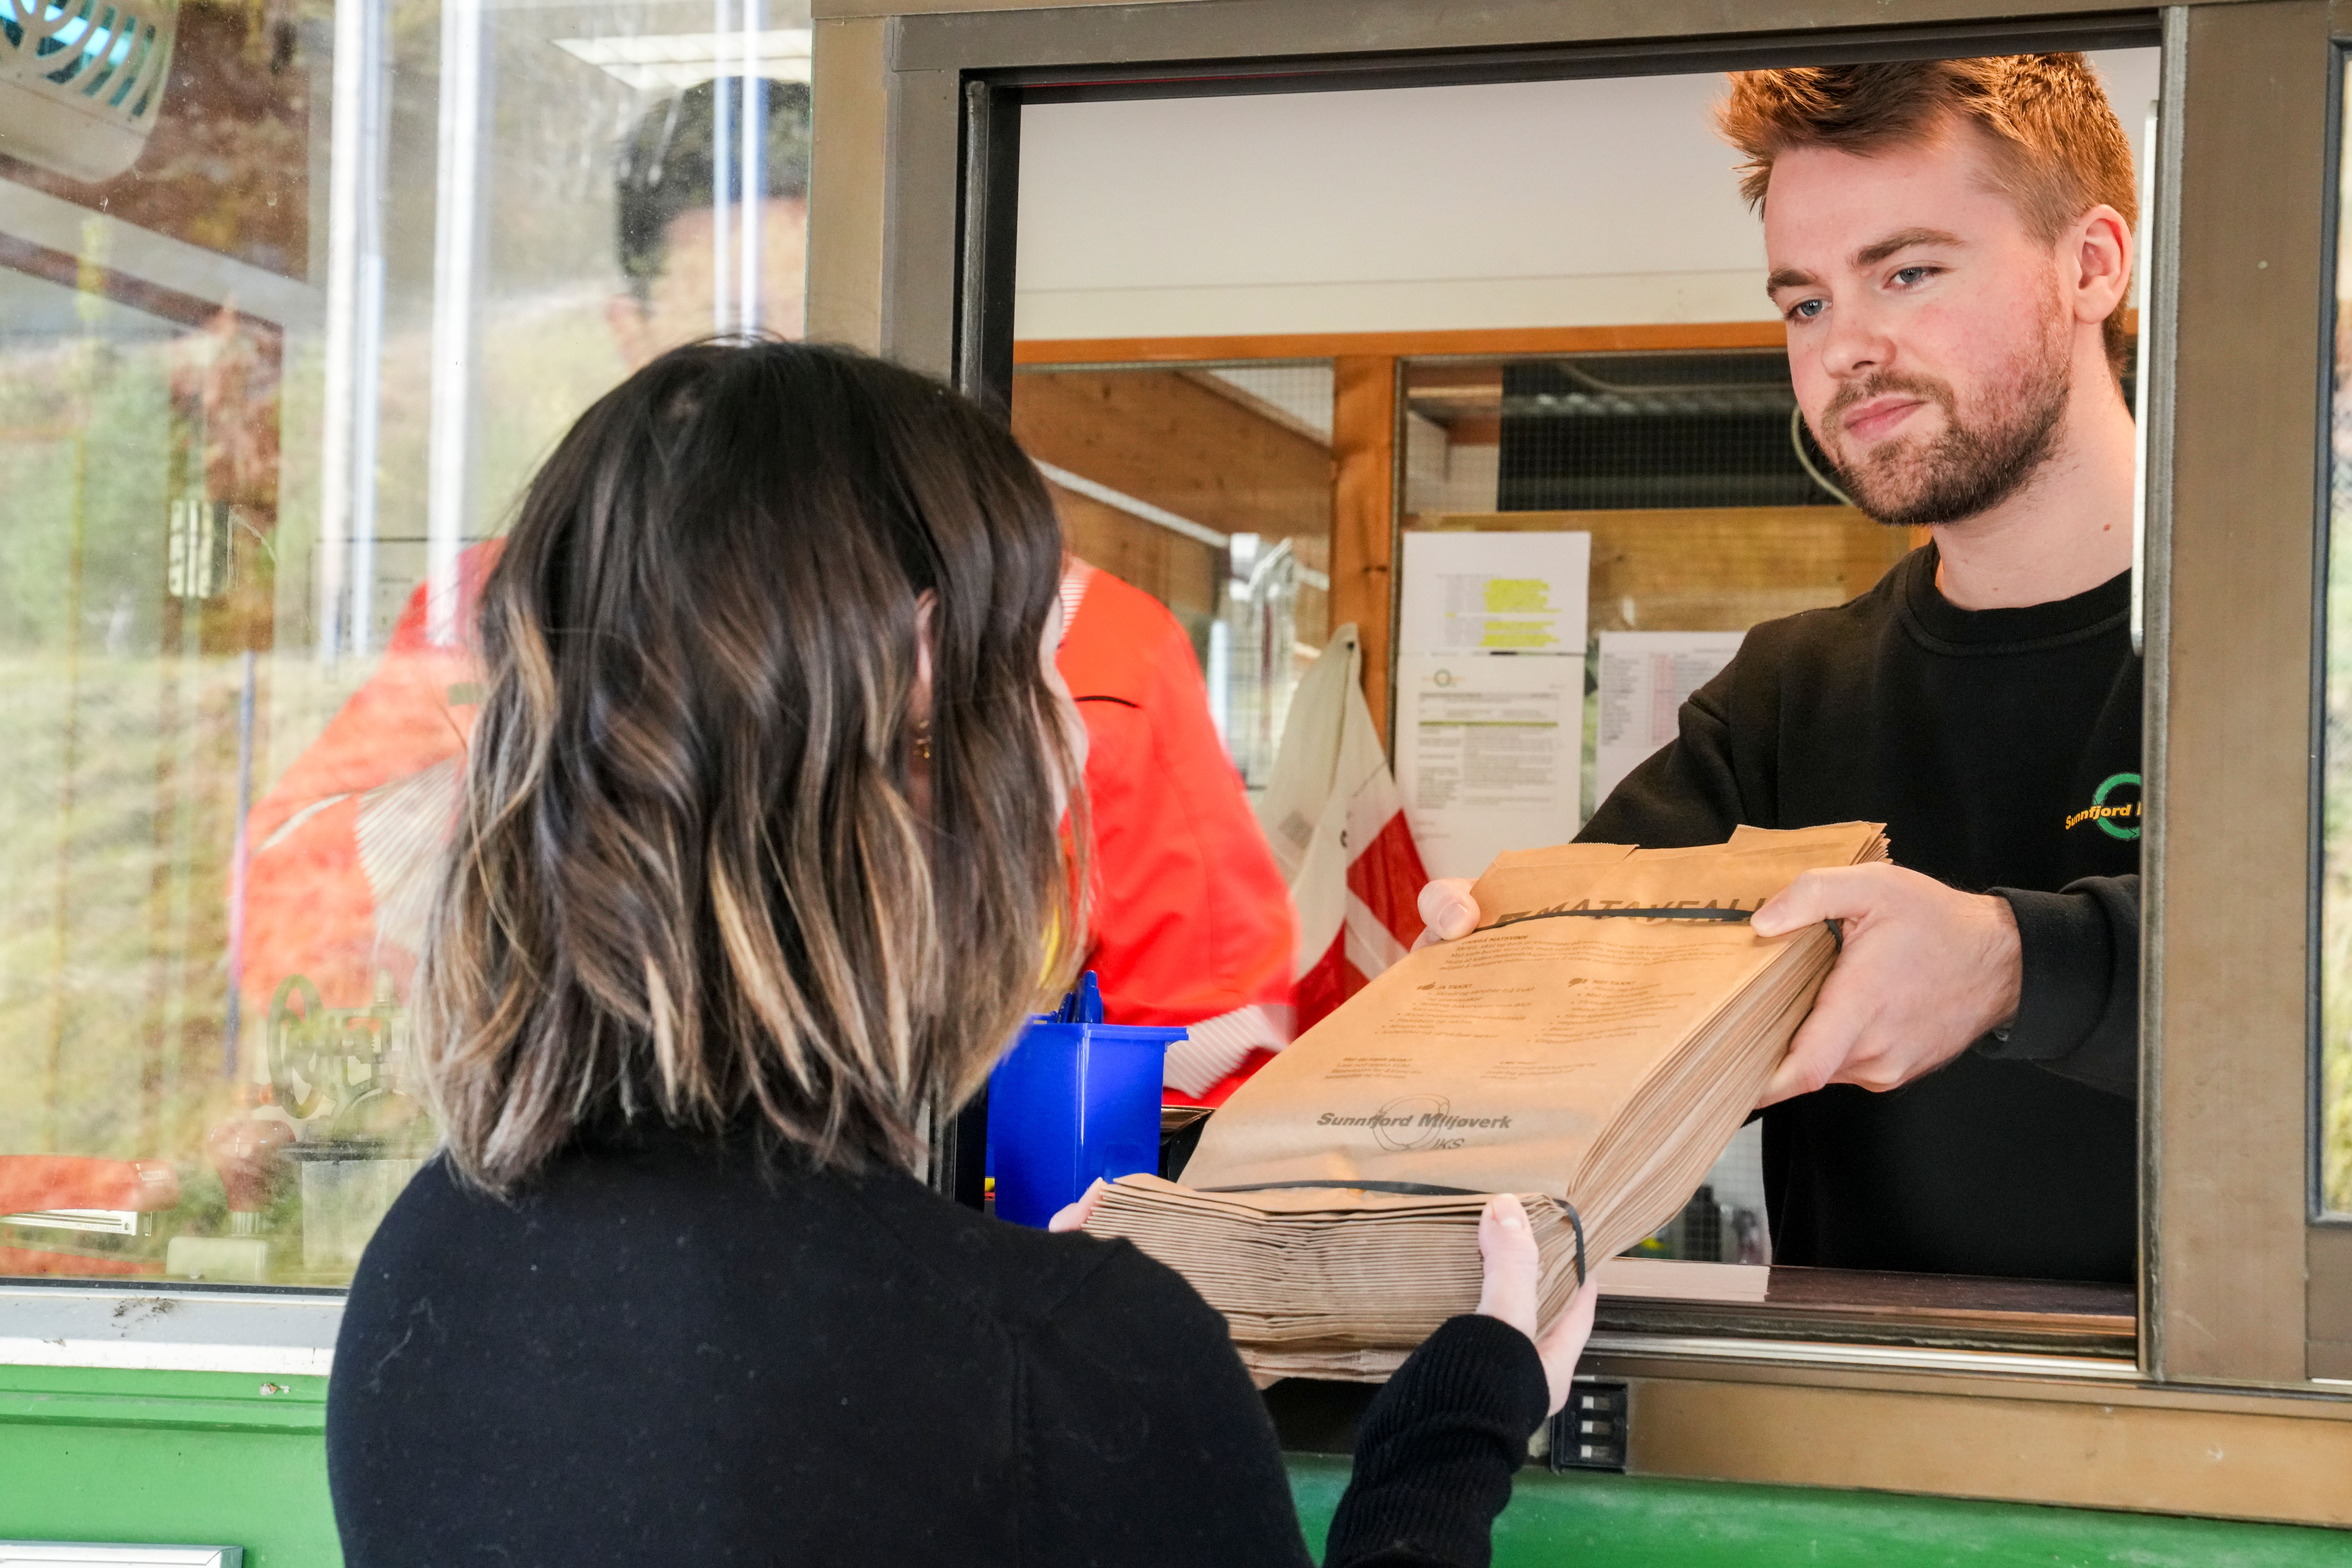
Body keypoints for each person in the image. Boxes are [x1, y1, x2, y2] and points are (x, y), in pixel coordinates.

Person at [322, 340, 1598, 1566]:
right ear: (913, 752)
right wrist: (1442, 1447)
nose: (1061, 752)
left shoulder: (428, 1268)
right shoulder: (1065, 1359)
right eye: (1033, 679)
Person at [1421, 56, 2140, 1283]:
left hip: (2247, 1440)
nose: (1844, 349)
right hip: (1837, 1425)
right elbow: (1595, 1034)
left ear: (2089, 266)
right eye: (1801, 303)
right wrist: (1502, 986)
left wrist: (2015, 960)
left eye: (1905, 273)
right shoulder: (1783, 693)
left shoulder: (2288, 652)